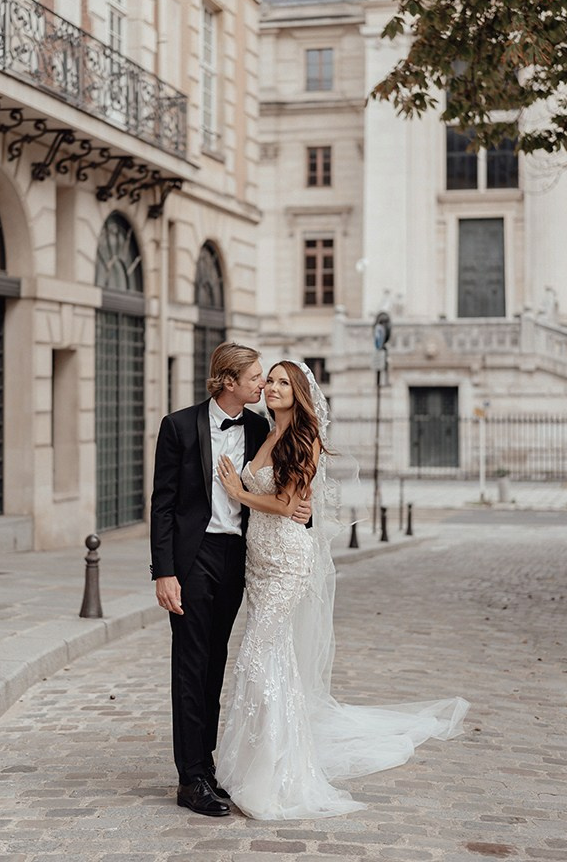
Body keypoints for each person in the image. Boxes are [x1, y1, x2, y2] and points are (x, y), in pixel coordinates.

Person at [215, 360, 469, 820]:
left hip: (288, 559)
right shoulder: (264, 433)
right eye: (268, 381)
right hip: (259, 560)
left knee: (258, 656)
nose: (272, 388)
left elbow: (286, 503)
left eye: (281, 383)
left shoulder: (304, 439)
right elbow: (288, 502)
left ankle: (275, 774)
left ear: (299, 394)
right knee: (271, 658)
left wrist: (238, 492)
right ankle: (254, 762)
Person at [149, 342, 311, 817]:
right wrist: (165, 572)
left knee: (217, 661)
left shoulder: (261, 427)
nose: (263, 385)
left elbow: (288, 490)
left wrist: (306, 510)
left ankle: (208, 766)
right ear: (227, 381)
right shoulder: (178, 427)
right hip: (193, 558)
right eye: (256, 377)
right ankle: (191, 778)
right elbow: (162, 505)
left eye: (266, 378)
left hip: (240, 558)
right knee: (191, 663)